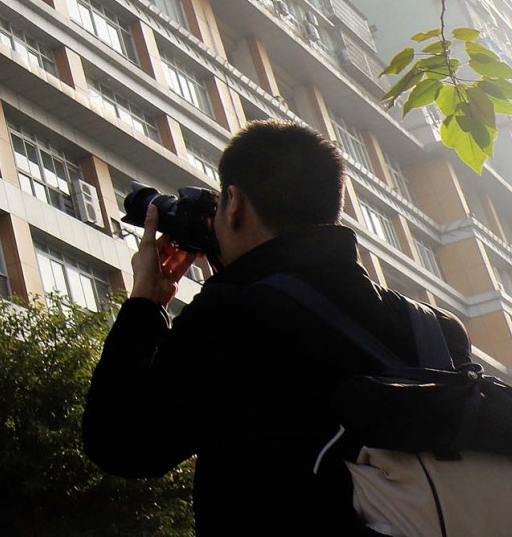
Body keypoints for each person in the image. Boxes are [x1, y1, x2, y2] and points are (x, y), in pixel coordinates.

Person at [82, 119, 471, 535]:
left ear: (234, 203)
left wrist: (146, 302)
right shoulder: (437, 330)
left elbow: (121, 443)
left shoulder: (230, 317)